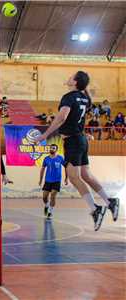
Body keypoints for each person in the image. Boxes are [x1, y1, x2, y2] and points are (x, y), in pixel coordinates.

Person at [35, 71, 119, 231]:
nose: (68, 77)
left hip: (73, 140)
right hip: (81, 140)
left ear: (74, 82)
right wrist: (84, 86)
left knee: (74, 177)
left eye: (72, 76)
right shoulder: (84, 98)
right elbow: (86, 102)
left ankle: (95, 209)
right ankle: (110, 202)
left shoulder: (69, 97)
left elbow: (61, 118)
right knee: (86, 175)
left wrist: (45, 135)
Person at [38, 144, 68, 220]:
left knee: (53, 195)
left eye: (53, 148)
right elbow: (42, 169)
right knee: (44, 197)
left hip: (57, 181)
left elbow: (66, 167)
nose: (52, 149)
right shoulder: (46, 159)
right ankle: (47, 205)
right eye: (51, 148)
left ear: (56, 150)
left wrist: (66, 178)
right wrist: (40, 180)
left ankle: (50, 212)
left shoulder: (60, 158)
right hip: (48, 181)